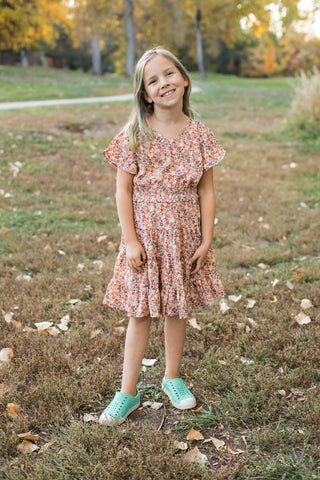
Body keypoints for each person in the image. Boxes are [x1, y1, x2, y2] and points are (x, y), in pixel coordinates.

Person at [99, 47, 225, 426]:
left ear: (184, 79)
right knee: (139, 314)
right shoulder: (135, 133)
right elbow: (124, 191)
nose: (163, 83)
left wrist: (205, 241)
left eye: (169, 74)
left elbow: (206, 191)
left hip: (184, 238)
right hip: (146, 239)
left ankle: (172, 378)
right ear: (145, 93)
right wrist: (131, 240)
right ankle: (128, 391)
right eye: (153, 80)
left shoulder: (199, 134)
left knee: (176, 308)